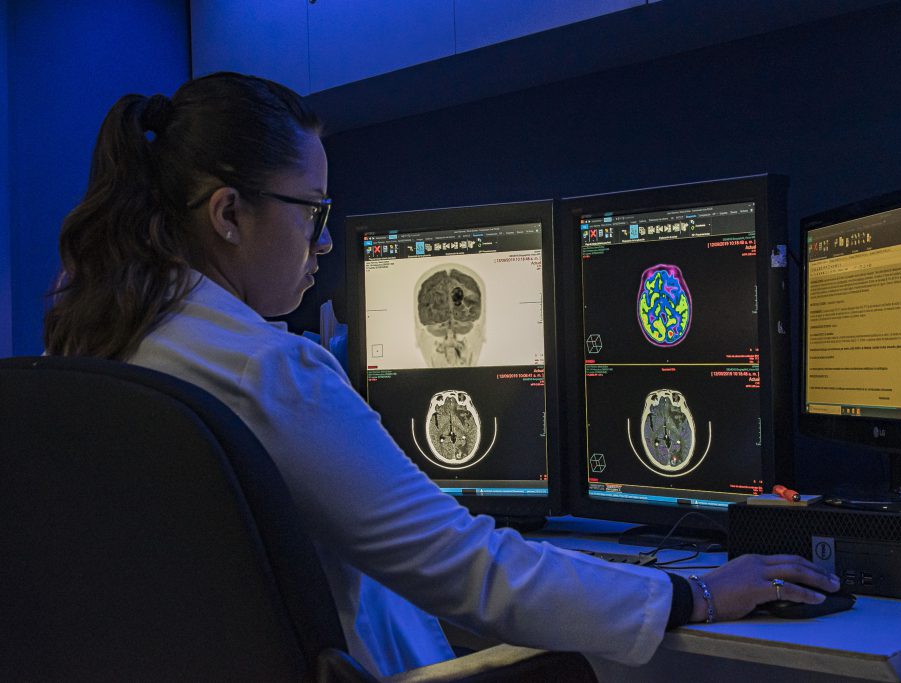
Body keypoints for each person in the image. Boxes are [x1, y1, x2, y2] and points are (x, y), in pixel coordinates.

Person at [44, 72, 839, 678]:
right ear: (228, 214)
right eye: (313, 211)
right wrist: (697, 592)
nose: (322, 244)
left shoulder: (97, 347)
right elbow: (471, 570)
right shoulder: (268, 370)